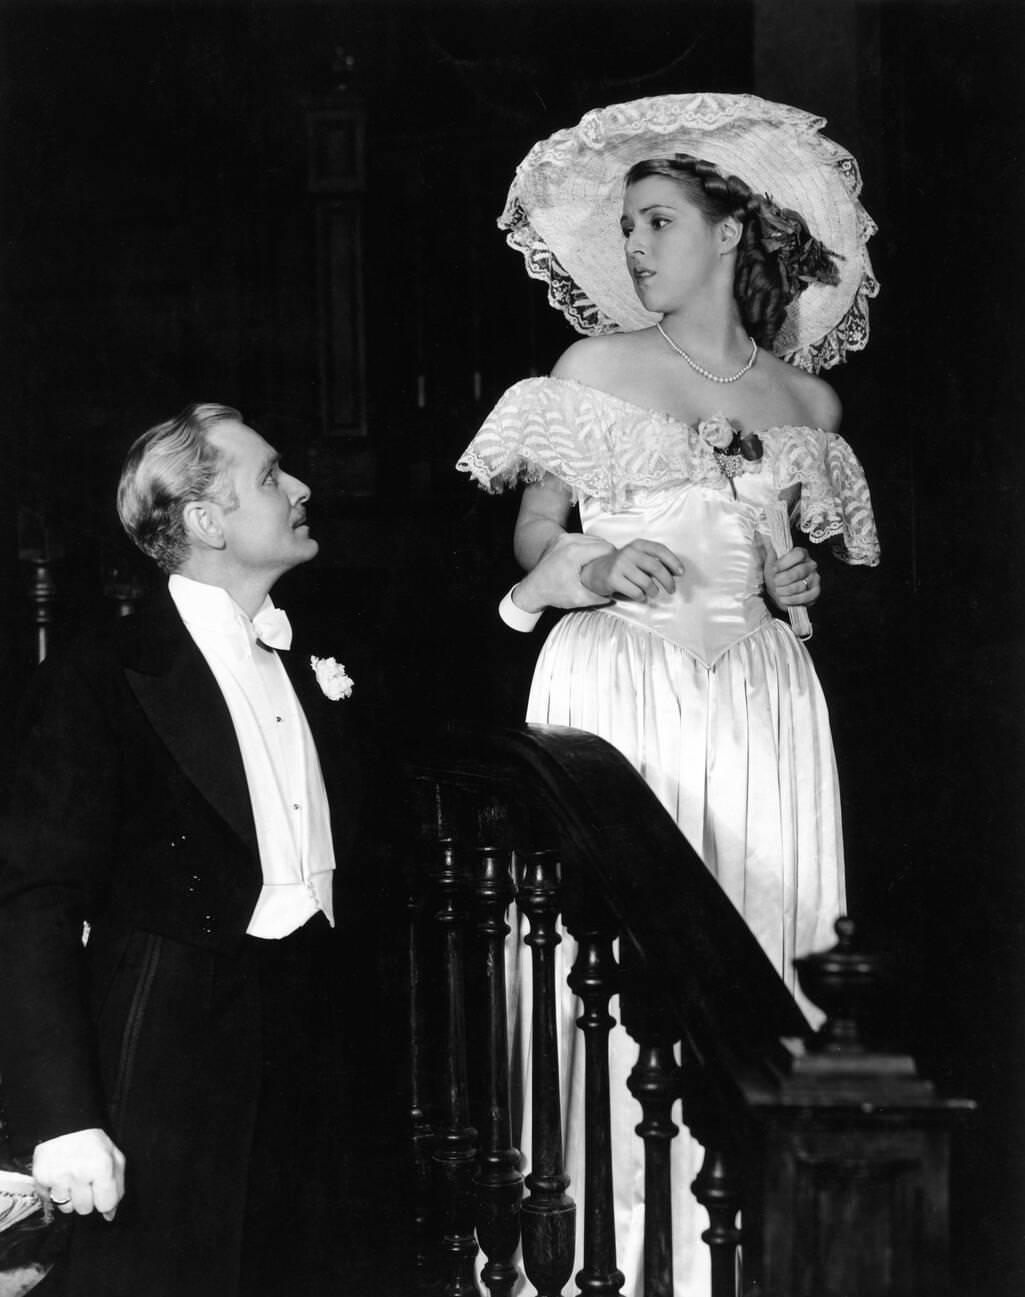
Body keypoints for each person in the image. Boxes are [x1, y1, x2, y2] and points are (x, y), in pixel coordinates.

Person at [457, 92, 880, 1295]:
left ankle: (737, 1260)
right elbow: (534, 526)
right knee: (614, 958)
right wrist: (588, 562)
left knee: (761, 931)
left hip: (759, 702)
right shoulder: (594, 367)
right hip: (621, 682)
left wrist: (797, 574)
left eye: (654, 222)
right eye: (627, 227)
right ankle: (601, 1253)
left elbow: (793, 567)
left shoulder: (807, 406)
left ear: (730, 233)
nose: (633, 249)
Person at [0, 403, 364, 1297]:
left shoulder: (315, 652)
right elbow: (34, 896)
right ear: (205, 522)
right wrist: (64, 1118)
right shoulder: (100, 673)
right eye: (273, 476)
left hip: (316, 1029)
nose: (302, 487)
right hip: (169, 1041)